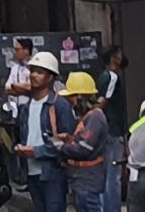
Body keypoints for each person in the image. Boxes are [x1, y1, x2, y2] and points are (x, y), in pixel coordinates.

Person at [15, 51, 74, 212]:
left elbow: (67, 144)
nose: (33, 75)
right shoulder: (26, 108)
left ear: (50, 77)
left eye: (39, 72)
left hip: (53, 174)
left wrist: (36, 151)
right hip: (32, 173)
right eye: (32, 70)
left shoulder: (60, 105)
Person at [53, 74, 108, 212]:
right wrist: (70, 140)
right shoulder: (88, 117)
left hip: (88, 180)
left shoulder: (95, 117)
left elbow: (84, 149)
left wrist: (62, 147)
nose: (70, 102)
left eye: (71, 97)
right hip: (82, 179)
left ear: (80, 97)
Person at [97, 48, 128, 212]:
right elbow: (104, 101)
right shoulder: (112, 77)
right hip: (113, 129)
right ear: (114, 58)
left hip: (103, 129)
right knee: (113, 174)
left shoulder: (102, 76)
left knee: (104, 172)